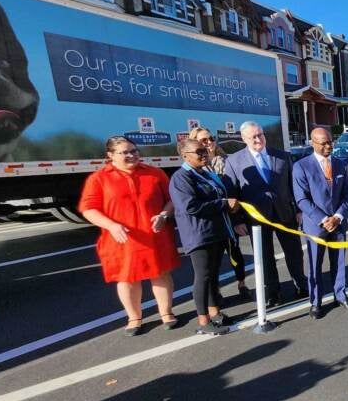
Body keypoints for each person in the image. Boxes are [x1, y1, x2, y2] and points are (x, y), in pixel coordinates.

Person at [78, 137, 180, 336]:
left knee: (160, 273)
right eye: (125, 152)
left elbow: (172, 200)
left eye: (134, 151)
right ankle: (134, 318)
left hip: (154, 236)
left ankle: (166, 313)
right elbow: (89, 209)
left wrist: (164, 215)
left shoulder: (154, 173)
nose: (132, 155)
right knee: (126, 278)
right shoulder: (99, 178)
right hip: (122, 240)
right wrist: (111, 225)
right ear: (110, 155)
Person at [223, 121, 307, 308]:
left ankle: (301, 284)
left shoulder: (283, 156)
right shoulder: (234, 161)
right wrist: (237, 220)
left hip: (285, 213)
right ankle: (273, 292)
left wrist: (299, 210)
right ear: (244, 139)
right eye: (252, 136)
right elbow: (231, 193)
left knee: (294, 252)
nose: (258, 139)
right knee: (265, 256)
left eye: (260, 134)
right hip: (256, 218)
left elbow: (294, 186)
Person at [168, 139, 237, 335]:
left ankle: (215, 313)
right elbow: (190, 206)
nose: (204, 153)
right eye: (198, 151)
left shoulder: (205, 173)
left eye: (205, 149)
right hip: (199, 235)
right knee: (203, 277)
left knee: (213, 275)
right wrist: (224, 204)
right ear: (185, 156)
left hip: (215, 232)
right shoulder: (181, 178)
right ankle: (203, 320)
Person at [292, 127, 348, 319]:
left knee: (338, 261)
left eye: (330, 141)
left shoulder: (340, 164)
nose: (329, 146)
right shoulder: (302, 166)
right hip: (316, 226)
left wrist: (338, 216)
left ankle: (340, 295)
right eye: (324, 143)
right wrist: (323, 219)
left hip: (338, 224)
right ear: (312, 143)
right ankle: (315, 302)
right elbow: (301, 200)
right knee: (315, 264)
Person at [189, 126, 249, 300]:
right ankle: (216, 293)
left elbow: (235, 192)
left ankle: (242, 283)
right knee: (212, 261)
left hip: (229, 218)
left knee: (235, 252)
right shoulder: (194, 169)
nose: (209, 143)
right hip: (209, 221)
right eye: (203, 141)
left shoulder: (227, 161)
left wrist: (238, 219)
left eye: (210, 139)